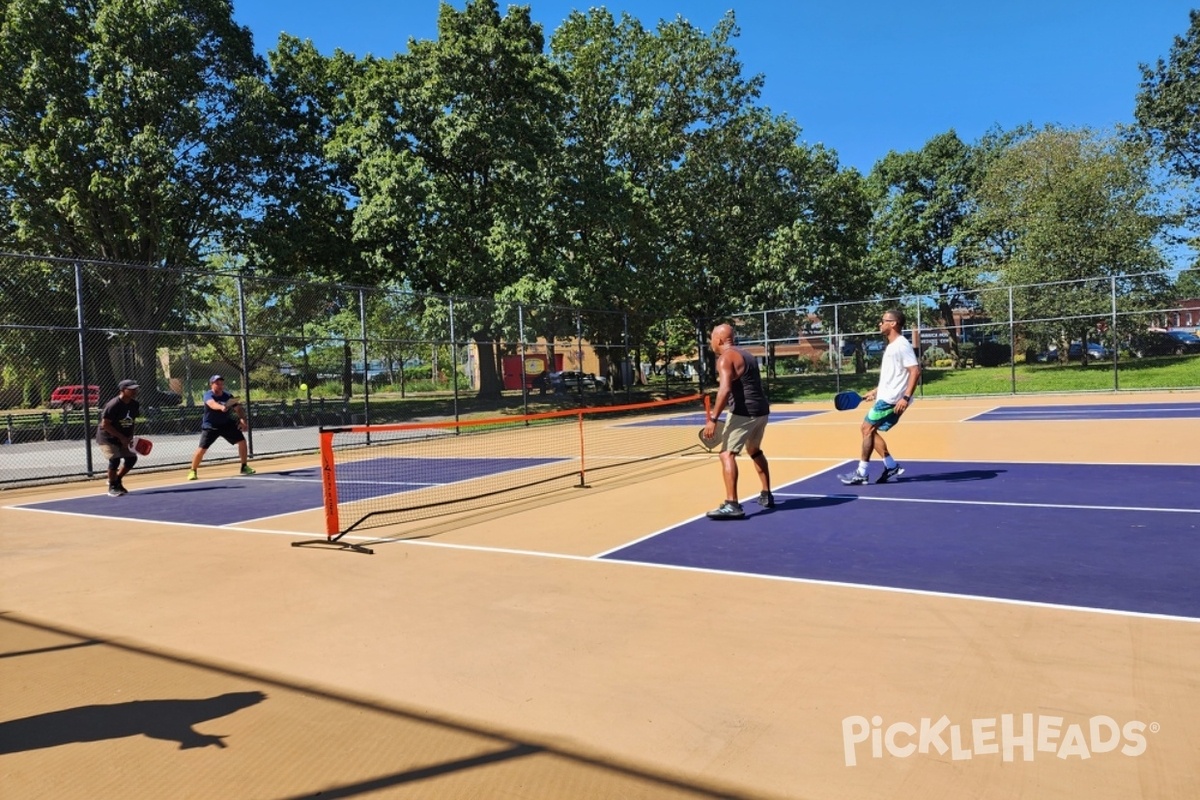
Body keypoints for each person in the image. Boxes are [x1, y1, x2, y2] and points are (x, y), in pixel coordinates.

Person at [839, 309, 921, 485]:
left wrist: (905, 398)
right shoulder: (892, 346)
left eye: (883, 320)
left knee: (866, 429)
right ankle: (891, 466)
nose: (880, 323)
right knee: (869, 429)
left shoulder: (901, 345)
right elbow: (894, 376)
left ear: (893, 323)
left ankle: (862, 473)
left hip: (891, 401)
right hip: (886, 397)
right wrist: (875, 391)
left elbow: (915, 371)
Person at [703, 323, 773, 519]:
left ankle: (732, 504)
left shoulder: (725, 358)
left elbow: (724, 390)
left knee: (726, 454)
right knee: (754, 450)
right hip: (761, 412)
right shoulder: (747, 354)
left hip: (744, 413)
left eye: (711, 339)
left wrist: (713, 419)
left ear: (719, 340)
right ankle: (767, 494)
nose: (711, 343)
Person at [187, 375, 255, 480]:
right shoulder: (208, 395)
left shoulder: (228, 395)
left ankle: (244, 466)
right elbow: (212, 404)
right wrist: (221, 407)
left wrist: (242, 420)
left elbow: (238, 408)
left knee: (242, 441)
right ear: (211, 385)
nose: (220, 385)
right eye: (217, 383)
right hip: (211, 426)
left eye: (221, 383)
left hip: (226, 424)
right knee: (202, 449)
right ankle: (193, 471)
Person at [96, 379, 141, 496]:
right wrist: (121, 438)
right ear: (122, 390)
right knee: (115, 459)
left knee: (131, 459)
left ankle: (117, 479)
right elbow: (105, 424)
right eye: (131, 389)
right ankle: (112, 486)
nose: (134, 391)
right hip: (107, 437)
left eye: (135, 389)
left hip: (124, 437)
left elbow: (132, 422)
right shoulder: (113, 404)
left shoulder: (134, 404)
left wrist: (130, 437)